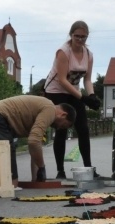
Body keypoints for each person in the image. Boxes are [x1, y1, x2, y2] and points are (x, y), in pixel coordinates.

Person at [43, 20, 102, 180]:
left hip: (73, 90)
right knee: (61, 128)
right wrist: (82, 97)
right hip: (55, 90)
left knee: (83, 128)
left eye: (83, 37)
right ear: (71, 35)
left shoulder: (88, 55)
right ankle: (60, 170)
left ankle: (89, 168)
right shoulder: (63, 51)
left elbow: (87, 79)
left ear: (87, 37)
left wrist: (91, 96)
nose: (80, 40)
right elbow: (62, 79)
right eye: (77, 36)